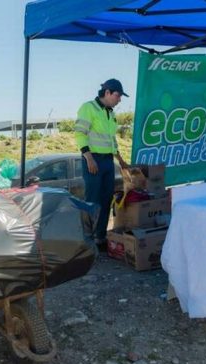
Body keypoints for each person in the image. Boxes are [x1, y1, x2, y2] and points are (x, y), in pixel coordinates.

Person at [75, 79, 130, 250]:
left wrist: (120, 160)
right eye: (118, 95)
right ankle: (87, 240)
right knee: (92, 201)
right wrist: (88, 158)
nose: (119, 99)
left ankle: (101, 237)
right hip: (93, 160)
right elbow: (80, 133)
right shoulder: (89, 108)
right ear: (107, 92)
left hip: (108, 161)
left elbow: (112, 140)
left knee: (106, 200)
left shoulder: (110, 113)